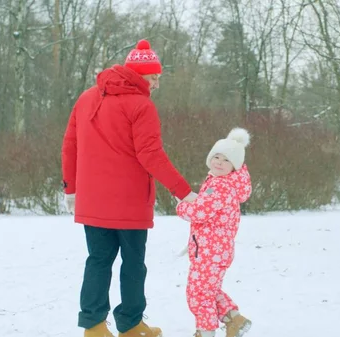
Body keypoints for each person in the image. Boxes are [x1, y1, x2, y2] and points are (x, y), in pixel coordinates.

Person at [61, 39, 198, 337]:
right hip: (130, 203)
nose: (156, 84)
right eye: (153, 77)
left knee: (98, 260)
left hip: (93, 203)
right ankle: (131, 325)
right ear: (137, 74)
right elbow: (151, 155)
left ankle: (94, 325)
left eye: (159, 77)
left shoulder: (86, 98)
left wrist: (70, 189)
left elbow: (69, 146)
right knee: (133, 264)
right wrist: (184, 191)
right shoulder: (141, 105)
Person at [176, 128, 253, 337]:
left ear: (234, 166)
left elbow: (200, 212)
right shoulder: (222, 183)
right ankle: (233, 318)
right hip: (215, 249)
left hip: (210, 250)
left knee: (198, 294)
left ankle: (206, 331)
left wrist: (182, 206)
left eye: (226, 160)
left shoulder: (219, 186)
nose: (219, 162)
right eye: (216, 156)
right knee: (208, 290)